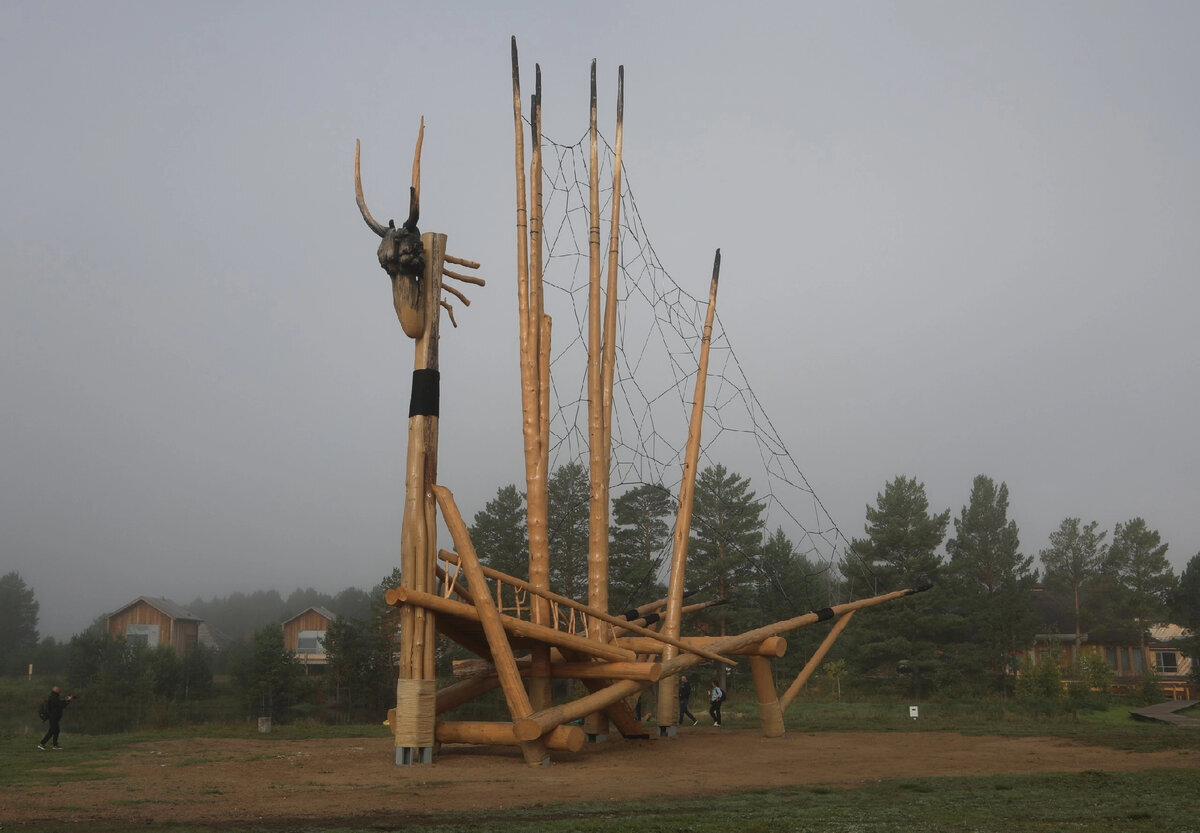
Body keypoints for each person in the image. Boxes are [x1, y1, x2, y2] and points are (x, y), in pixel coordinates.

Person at [39, 686, 73, 750]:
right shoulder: (54, 697)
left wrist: (65, 700)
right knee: (52, 731)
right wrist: (68, 701)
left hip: (54, 717)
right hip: (53, 717)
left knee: (56, 730)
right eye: (59, 690)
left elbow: (59, 703)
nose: (60, 691)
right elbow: (62, 705)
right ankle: (42, 744)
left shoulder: (54, 696)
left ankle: (55, 745)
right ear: (56, 690)